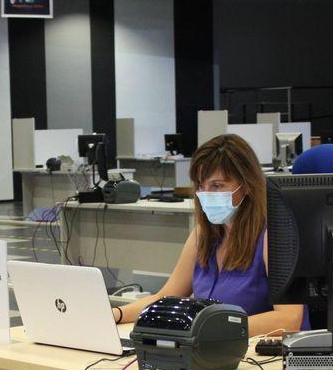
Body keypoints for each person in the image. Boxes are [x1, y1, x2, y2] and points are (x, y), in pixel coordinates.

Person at [111, 134, 307, 337]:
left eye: (217, 185)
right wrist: (115, 314)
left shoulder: (273, 235)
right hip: (216, 350)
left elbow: (289, 319)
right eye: (201, 186)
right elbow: (164, 297)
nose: (206, 193)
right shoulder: (203, 236)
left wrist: (212, 331)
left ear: (246, 185)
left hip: (265, 356)